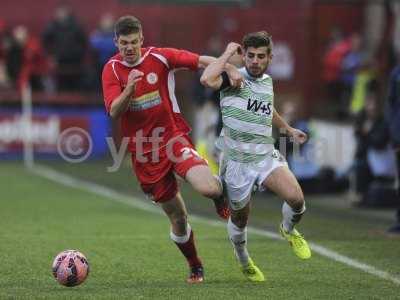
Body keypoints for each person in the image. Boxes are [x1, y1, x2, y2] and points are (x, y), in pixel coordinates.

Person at [102, 16, 239, 283]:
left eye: (134, 42)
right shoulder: (112, 70)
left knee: (208, 188)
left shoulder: (161, 57)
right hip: (144, 153)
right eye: (124, 43)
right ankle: (195, 264)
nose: (129, 48)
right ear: (116, 42)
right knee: (178, 217)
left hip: (173, 139)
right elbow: (114, 110)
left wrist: (230, 70)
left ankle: (220, 194)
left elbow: (202, 61)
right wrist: (129, 88)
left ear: (142, 40)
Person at [200, 32, 311, 282]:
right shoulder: (233, 77)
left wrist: (287, 129)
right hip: (237, 163)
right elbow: (207, 77)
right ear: (245, 55)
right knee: (240, 218)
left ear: (270, 58)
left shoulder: (267, 81)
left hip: (264, 155)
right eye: (250, 56)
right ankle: (244, 260)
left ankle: (289, 229)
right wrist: (228, 56)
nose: (255, 61)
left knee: (296, 199)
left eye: (261, 56)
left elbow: (265, 107)